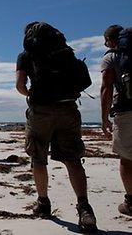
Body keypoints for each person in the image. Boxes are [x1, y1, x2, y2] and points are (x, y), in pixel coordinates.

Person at [16, 21, 97, 232]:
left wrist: (32, 94)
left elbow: (20, 86)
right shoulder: (65, 52)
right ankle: (84, 208)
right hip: (68, 108)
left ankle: (43, 203)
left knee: (38, 158)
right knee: (73, 160)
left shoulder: (26, 55)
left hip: (40, 111)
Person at [100, 24, 132, 216]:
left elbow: (106, 88)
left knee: (127, 158)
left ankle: (131, 202)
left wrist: (104, 118)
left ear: (110, 40)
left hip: (127, 111)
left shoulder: (112, 57)